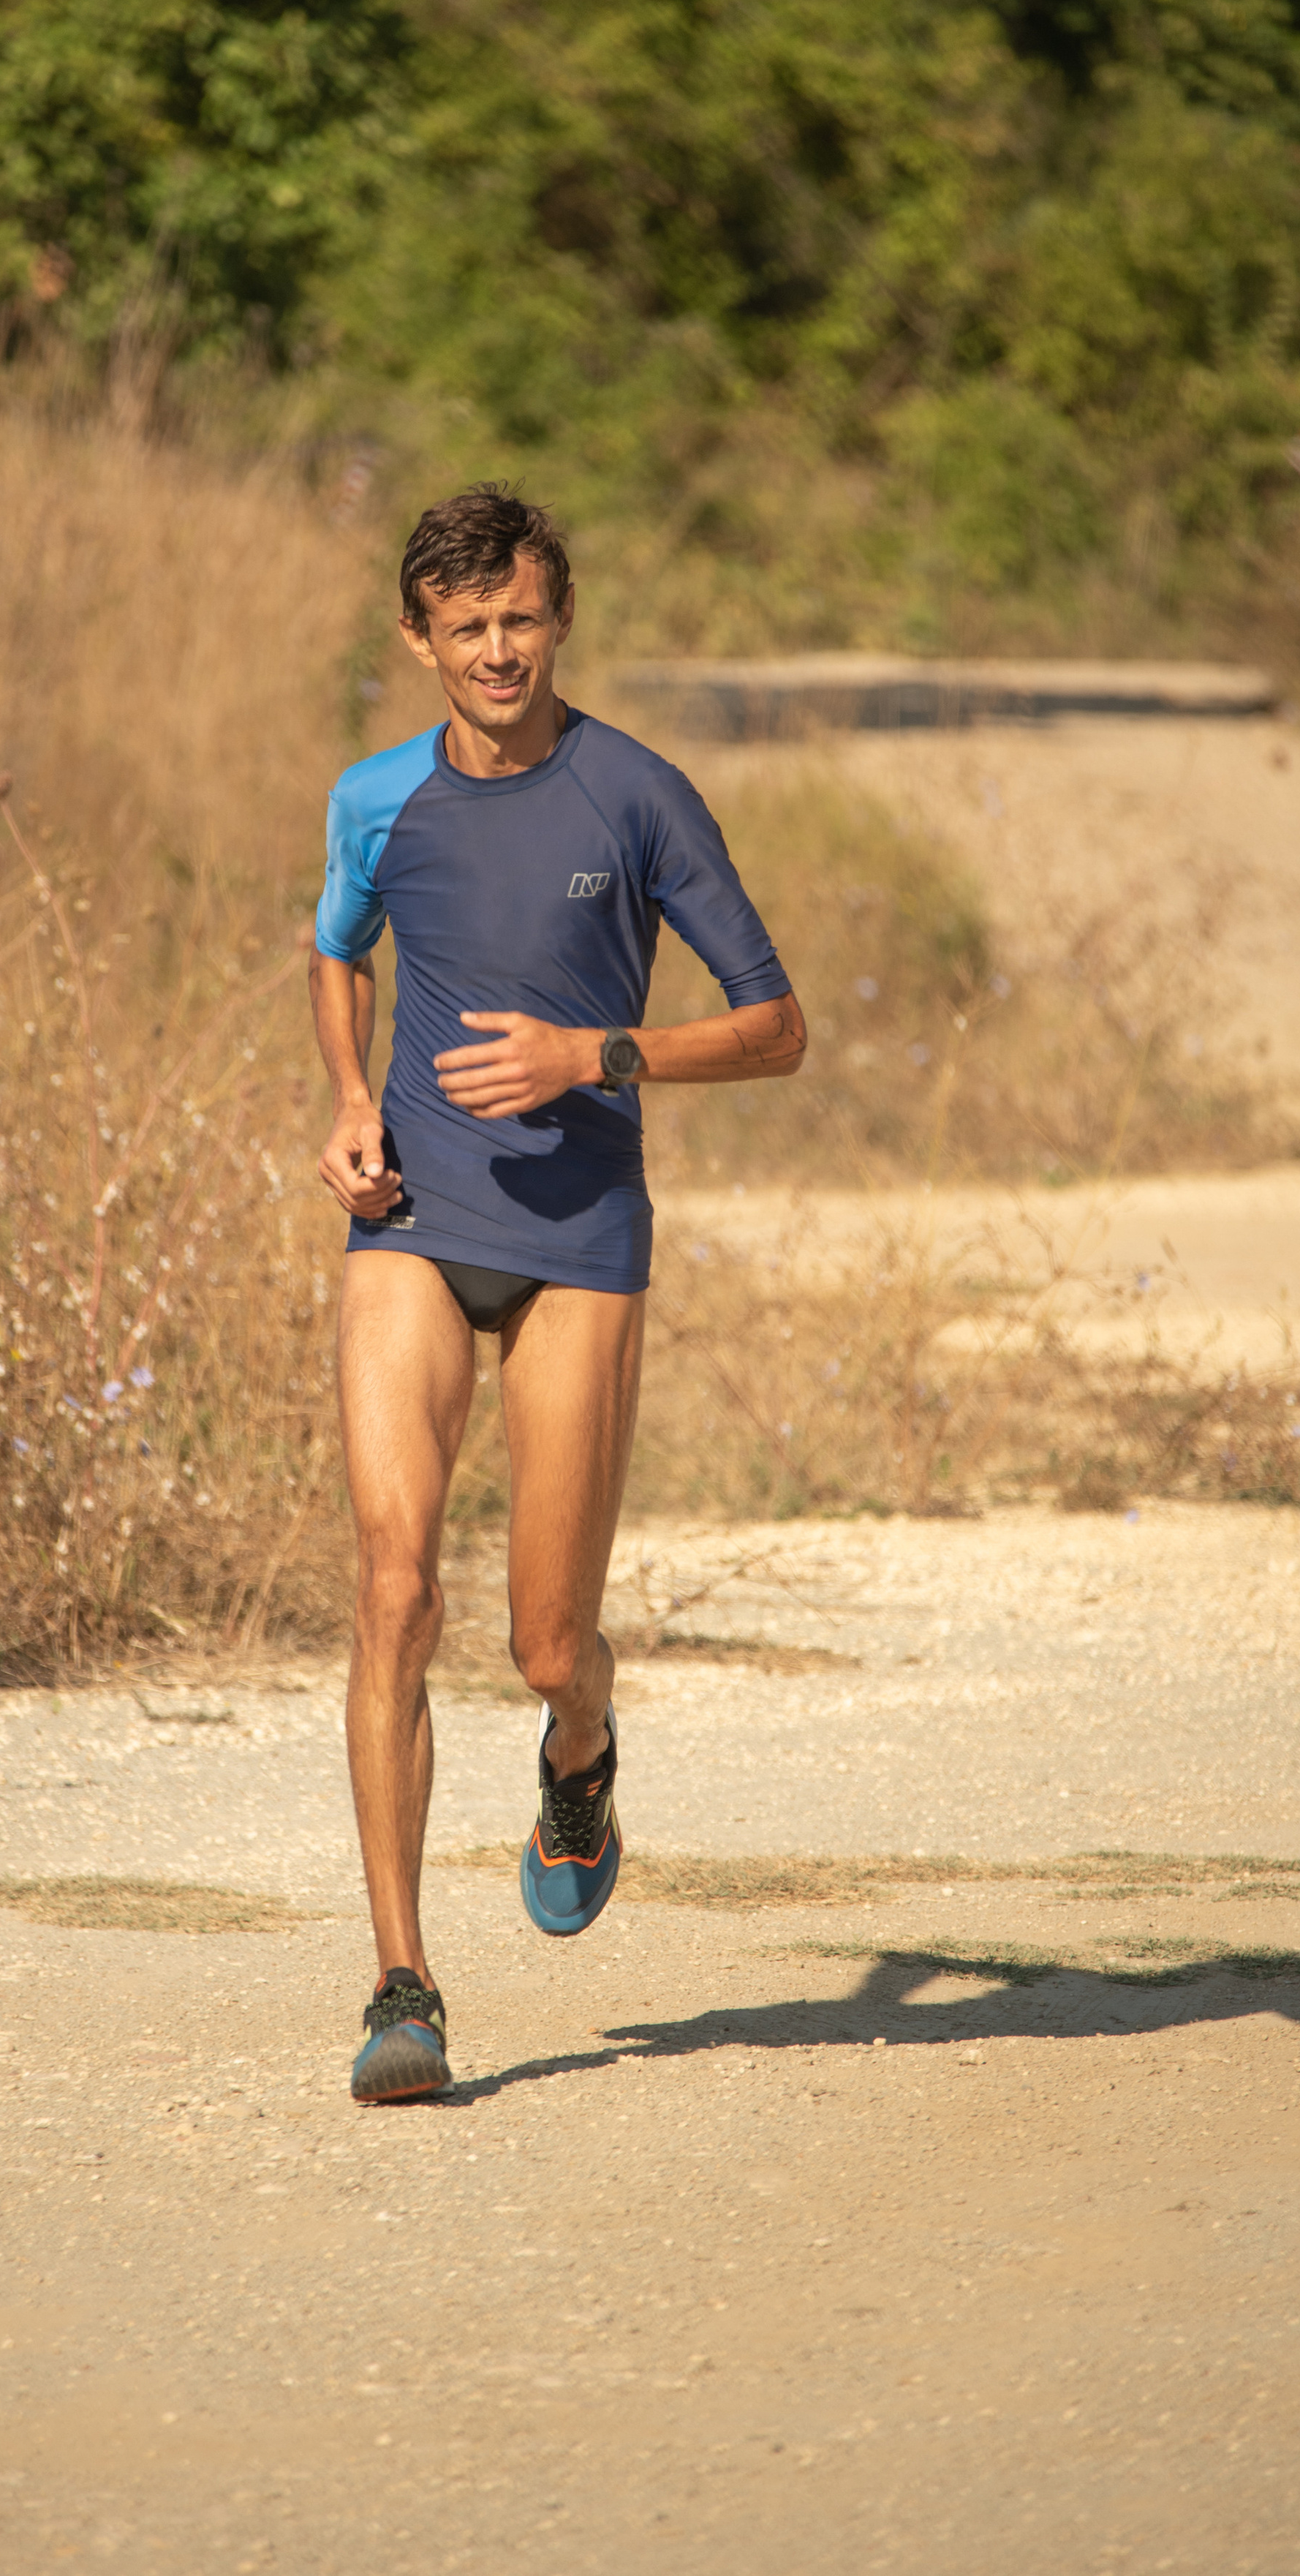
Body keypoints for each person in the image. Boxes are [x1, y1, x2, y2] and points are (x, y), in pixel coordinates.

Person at [310, 484, 805, 2102]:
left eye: (519, 618)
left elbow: (774, 1023)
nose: (496, 650)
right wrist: (345, 1101)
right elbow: (340, 950)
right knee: (392, 1588)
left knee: (539, 1643)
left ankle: (577, 1760)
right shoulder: (375, 799)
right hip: (412, 1226)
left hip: (581, 1247)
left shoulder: (636, 795)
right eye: (465, 629)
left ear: (558, 616)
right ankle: (401, 1984)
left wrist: (594, 1055)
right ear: (418, 640)